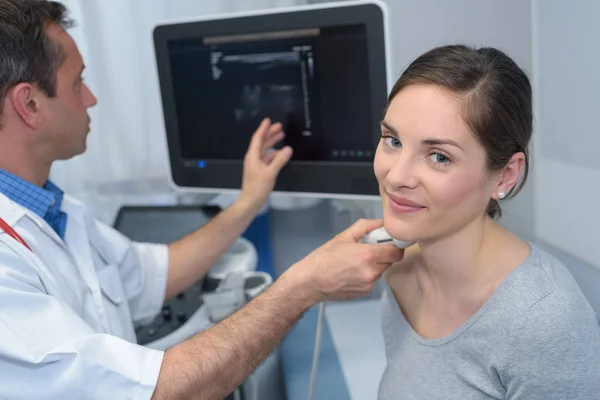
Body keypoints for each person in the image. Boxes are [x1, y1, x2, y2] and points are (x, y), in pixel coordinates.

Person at [0, 1, 405, 399]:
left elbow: (152, 274)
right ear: (30, 104)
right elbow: (161, 391)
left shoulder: (56, 211)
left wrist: (247, 201)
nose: (90, 98)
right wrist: (303, 286)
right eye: (77, 82)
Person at [375, 44, 600, 399]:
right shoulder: (398, 267)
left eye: (439, 157)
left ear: (505, 176)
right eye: (392, 140)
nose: (397, 176)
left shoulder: (543, 320)